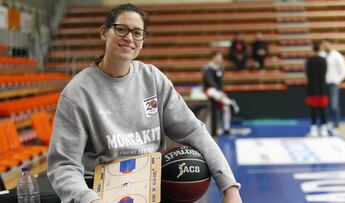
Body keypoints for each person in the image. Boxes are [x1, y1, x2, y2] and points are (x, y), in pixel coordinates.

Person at [47, 4, 243, 203]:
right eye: (121, 29)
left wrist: (229, 186)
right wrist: (90, 200)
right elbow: (64, 165)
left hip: (153, 189)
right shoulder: (77, 93)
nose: (129, 38)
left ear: (142, 41)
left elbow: (194, 131)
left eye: (137, 33)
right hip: (100, 193)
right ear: (104, 32)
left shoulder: (153, 79)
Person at [203, 51, 239, 135]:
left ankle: (226, 128)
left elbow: (221, 82)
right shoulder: (208, 67)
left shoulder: (220, 68)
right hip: (209, 89)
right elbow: (209, 81)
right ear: (214, 57)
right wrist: (219, 91)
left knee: (226, 107)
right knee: (214, 92)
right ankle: (229, 102)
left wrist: (222, 91)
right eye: (219, 57)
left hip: (219, 93)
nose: (221, 59)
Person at [320, 39, 345, 135]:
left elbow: (344, 71)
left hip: (333, 84)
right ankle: (327, 123)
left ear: (330, 45)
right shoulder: (321, 55)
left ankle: (336, 124)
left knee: (334, 105)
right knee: (324, 104)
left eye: (326, 44)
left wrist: (337, 81)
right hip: (323, 84)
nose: (325, 46)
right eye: (323, 44)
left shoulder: (337, 56)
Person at [305, 42, 328, 137]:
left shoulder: (309, 61)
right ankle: (323, 129)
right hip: (322, 88)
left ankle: (313, 129)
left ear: (312, 49)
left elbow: (307, 74)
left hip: (312, 89)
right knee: (323, 109)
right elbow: (325, 72)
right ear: (320, 50)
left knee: (313, 109)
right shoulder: (323, 60)